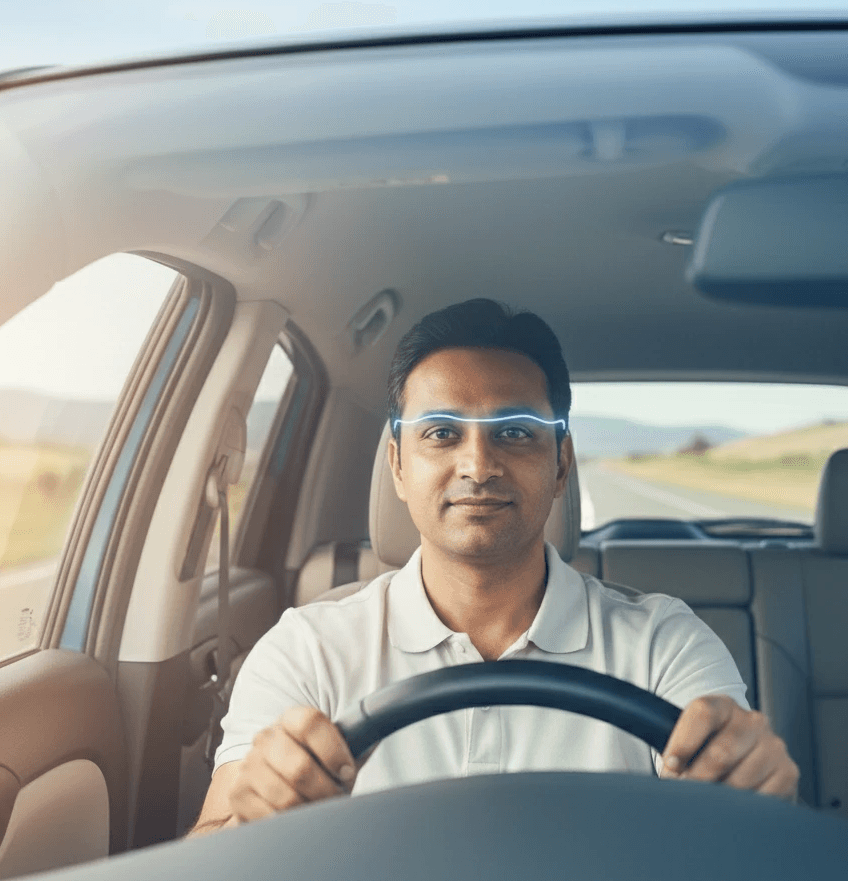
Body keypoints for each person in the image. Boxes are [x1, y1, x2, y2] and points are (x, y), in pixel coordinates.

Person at [188, 298, 799, 835]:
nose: (478, 465)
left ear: (561, 464)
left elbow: (740, 837)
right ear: (398, 466)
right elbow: (207, 852)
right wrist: (251, 820)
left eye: (513, 431)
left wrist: (757, 792)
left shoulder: (664, 643)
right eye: (442, 433)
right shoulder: (307, 649)